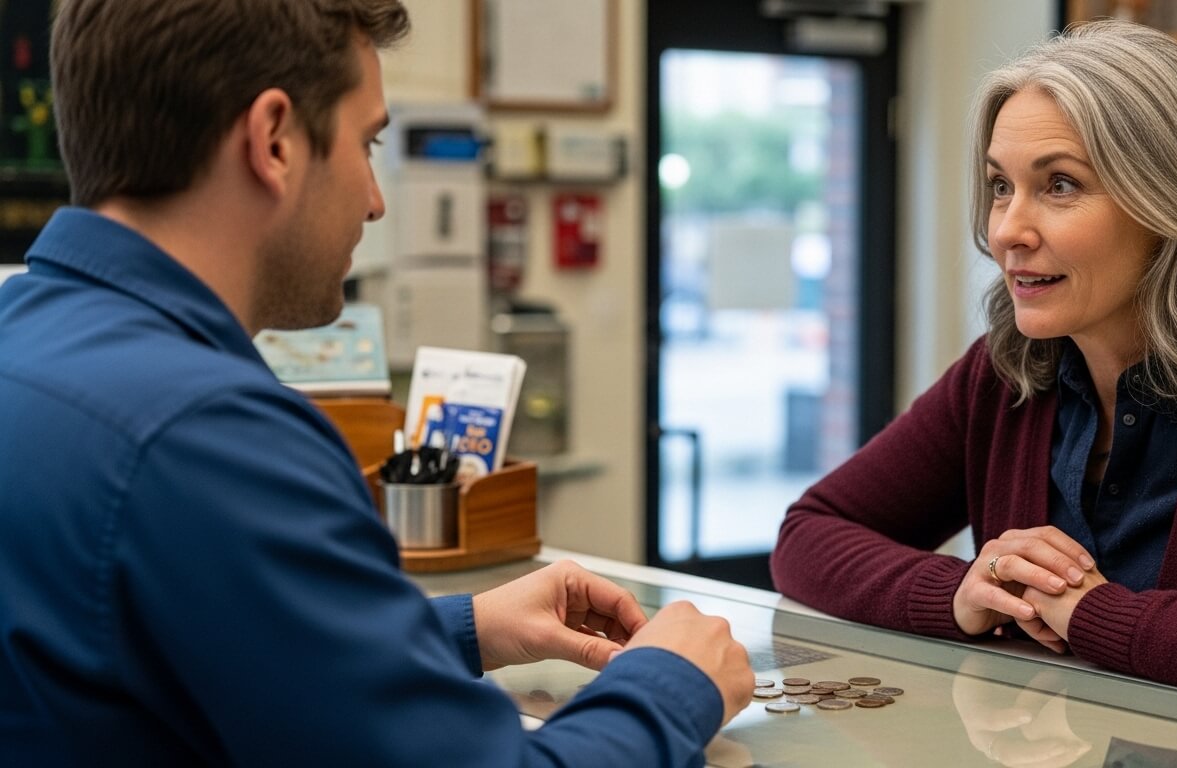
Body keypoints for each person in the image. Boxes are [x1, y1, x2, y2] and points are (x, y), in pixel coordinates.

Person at [0, 1, 754, 765]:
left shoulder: (22, 339)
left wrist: (460, 628)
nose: (375, 199)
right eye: (368, 143)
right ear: (273, 141)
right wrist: (673, 681)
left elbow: (193, 643)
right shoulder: (211, 433)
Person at [771, 19, 1177, 717]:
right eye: (1000, 186)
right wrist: (959, 591)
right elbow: (808, 534)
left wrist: (1100, 617)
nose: (1007, 229)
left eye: (1061, 185)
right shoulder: (1005, 371)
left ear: (1172, 202)